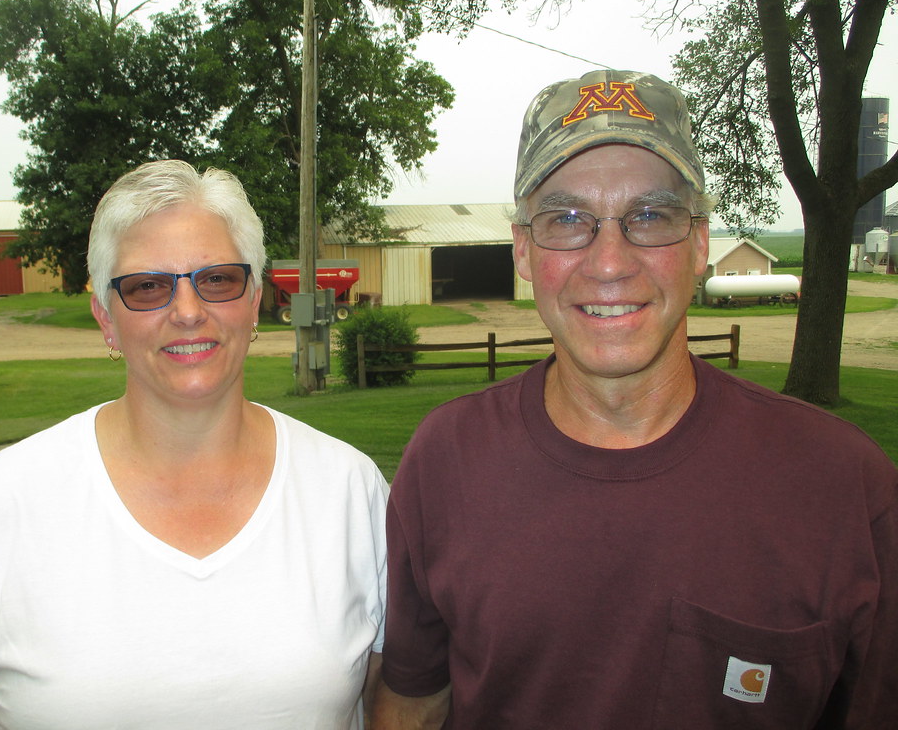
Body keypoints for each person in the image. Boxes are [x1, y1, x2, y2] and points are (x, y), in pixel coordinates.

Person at [373, 70, 898, 729]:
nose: (611, 262)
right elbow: (412, 706)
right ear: (524, 252)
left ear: (701, 242)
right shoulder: (446, 461)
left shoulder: (844, 488)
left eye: (650, 216)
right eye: (567, 219)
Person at [0, 160, 388, 729]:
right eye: (148, 287)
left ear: (255, 300)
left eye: (217, 279)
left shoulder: (349, 491)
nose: (189, 312)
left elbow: (399, 703)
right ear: (105, 318)